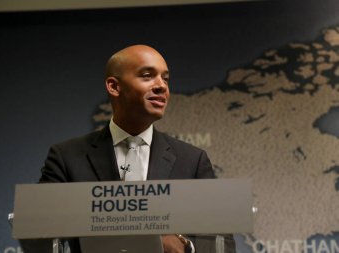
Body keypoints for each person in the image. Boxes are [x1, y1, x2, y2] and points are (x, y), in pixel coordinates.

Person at [37, 45, 235, 253]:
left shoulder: (192, 160)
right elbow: (39, 233)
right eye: (147, 75)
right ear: (114, 86)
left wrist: (186, 246)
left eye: (165, 78)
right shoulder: (66, 157)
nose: (161, 86)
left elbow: (222, 242)